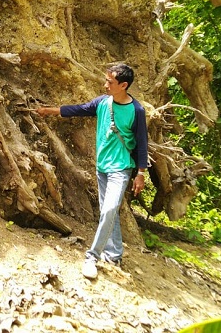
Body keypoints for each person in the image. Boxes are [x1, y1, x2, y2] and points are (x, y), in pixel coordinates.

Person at [35, 63, 148, 279]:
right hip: (102, 167)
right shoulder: (103, 103)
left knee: (109, 210)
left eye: (110, 82)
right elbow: (79, 109)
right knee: (109, 211)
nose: (105, 85)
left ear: (123, 85)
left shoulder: (136, 111)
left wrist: (141, 173)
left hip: (121, 168)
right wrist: (49, 111)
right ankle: (114, 254)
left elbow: (142, 143)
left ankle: (92, 257)